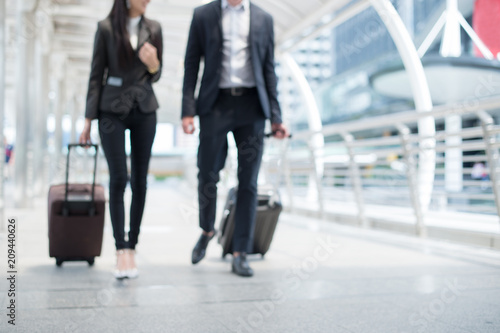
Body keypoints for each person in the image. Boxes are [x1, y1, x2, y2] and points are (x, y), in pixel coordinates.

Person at [182, 0, 288, 277]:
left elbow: (269, 69)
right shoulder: (203, 15)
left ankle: (241, 251)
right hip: (214, 105)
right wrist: (187, 111)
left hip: (252, 107)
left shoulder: (264, 18)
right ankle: (207, 229)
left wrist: (276, 116)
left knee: (249, 182)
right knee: (207, 173)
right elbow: (192, 63)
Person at [79, 0, 162, 279]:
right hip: (111, 110)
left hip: (145, 109)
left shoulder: (154, 28)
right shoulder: (105, 29)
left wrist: (154, 64)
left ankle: (132, 246)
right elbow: (95, 75)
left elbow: (156, 75)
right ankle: (120, 249)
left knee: (140, 180)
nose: (148, 1)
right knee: (118, 178)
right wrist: (88, 120)